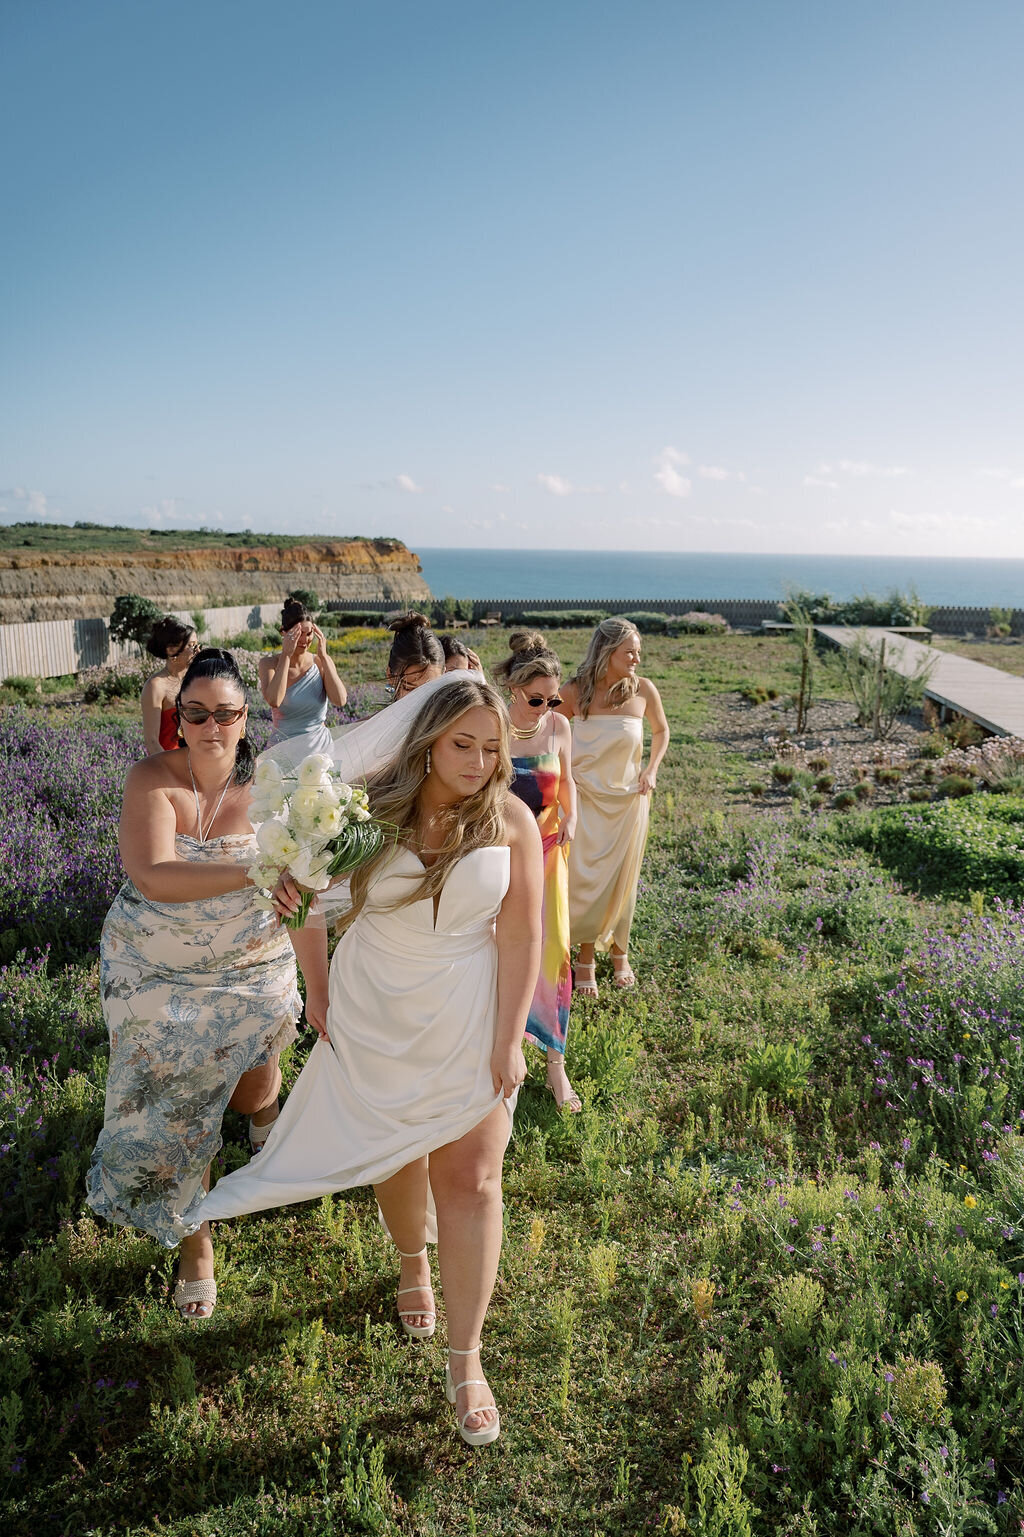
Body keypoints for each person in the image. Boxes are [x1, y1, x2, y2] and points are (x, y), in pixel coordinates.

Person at [200, 675, 543, 1446]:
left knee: (474, 1177)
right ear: (427, 740)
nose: (480, 760)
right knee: (397, 1157)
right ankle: (411, 1259)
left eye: (493, 747)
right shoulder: (367, 812)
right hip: (378, 1003)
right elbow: (303, 887)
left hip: (470, 1008)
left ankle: (466, 1360)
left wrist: (508, 1036)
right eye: (464, 744)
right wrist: (316, 990)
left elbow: (522, 935)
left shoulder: (513, 820)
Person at [86, 649, 303, 1321]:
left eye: (226, 713)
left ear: (247, 718)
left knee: (252, 1089)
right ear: (178, 716)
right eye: (197, 712)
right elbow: (153, 874)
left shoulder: (274, 785)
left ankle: (263, 1111)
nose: (211, 725)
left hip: (250, 962)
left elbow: (309, 867)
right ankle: (195, 1240)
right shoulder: (151, 778)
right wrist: (254, 873)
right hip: (152, 962)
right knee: (187, 1087)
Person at [556, 618, 669, 996]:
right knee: (585, 880)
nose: (637, 658)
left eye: (638, 651)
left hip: (628, 801)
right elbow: (546, 727)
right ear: (608, 653)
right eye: (630, 652)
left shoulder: (643, 691)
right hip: (584, 798)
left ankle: (620, 953)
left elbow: (662, 731)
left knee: (623, 881)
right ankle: (584, 957)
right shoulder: (573, 692)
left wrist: (650, 769)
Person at [494, 631, 580, 1111]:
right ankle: (500, 1040)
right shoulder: (493, 726)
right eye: (536, 698)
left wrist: (573, 815)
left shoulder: (559, 728)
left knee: (553, 953)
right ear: (512, 689)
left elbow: (567, 782)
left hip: (547, 854)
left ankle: (555, 1067)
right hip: (498, 853)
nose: (546, 706)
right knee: (494, 946)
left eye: (553, 698)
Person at [259, 598, 348, 753]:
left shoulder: (321, 662)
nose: (304, 640)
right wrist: (286, 655)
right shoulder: (269, 664)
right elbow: (274, 700)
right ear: (283, 632)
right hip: (283, 753)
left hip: (320, 752)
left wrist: (324, 657)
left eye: (309, 633)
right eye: (298, 633)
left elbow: (340, 701)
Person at [140, 616, 199, 755]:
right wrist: (168, 772)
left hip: (196, 764)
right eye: (191, 646)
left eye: (197, 645)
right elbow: (152, 741)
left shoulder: (196, 678)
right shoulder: (155, 686)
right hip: (168, 765)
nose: (197, 650)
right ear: (171, 651)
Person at [385, 611, 445, 698]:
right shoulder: (387, 712)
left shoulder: (462, 711)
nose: (422, 699)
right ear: (390, 676)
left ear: (444, 675)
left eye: (432, 689)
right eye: (410, 688)